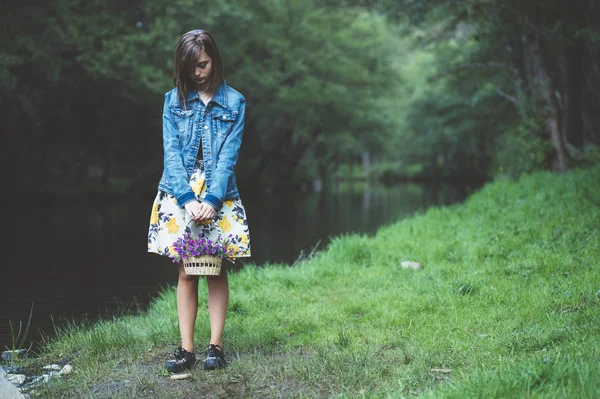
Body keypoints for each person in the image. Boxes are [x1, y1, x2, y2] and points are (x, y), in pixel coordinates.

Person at [147, 29, 251, 374]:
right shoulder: (172, 101)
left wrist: (213, 198)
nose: (198, 73)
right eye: (191, 67)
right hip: (180, 195)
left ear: (214, 60)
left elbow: (228, 158)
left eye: (203, 64)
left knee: (216, 269)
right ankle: (186, 349)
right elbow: (171, 154)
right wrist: (188, 198)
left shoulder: (235, 102)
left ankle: (216, 348)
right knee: (186, 272)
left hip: (220, 193)